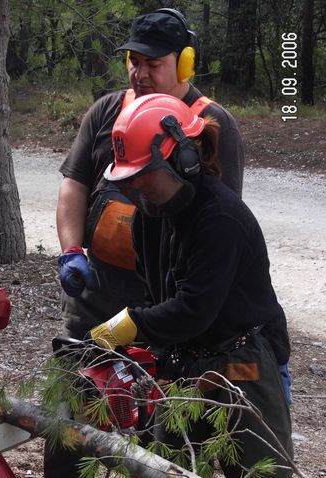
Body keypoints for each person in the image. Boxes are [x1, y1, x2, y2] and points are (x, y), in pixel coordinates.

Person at [47, 9, 245, 476]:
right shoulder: (107, 111)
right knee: (69, 434)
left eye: (153, 63)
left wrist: (173, 312)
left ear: (184, 63)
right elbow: (74, 183)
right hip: (96, 301)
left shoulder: (210, 126)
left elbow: (216, 226)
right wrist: (72, 250)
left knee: (160, 442)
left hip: (166, 310)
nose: (140, 72)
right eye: (134, 61)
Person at [89, 93, 293, 477]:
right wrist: (145, 354)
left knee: (260, 473)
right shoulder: (149, 217)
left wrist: (126, 324)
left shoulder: (221, 218)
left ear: (184, 157)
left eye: (144, 172)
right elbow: (156, 294)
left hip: (242, 362)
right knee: (162, 466)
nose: (135, 187)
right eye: (129, 177)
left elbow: (194, 309)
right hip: (186, 360)